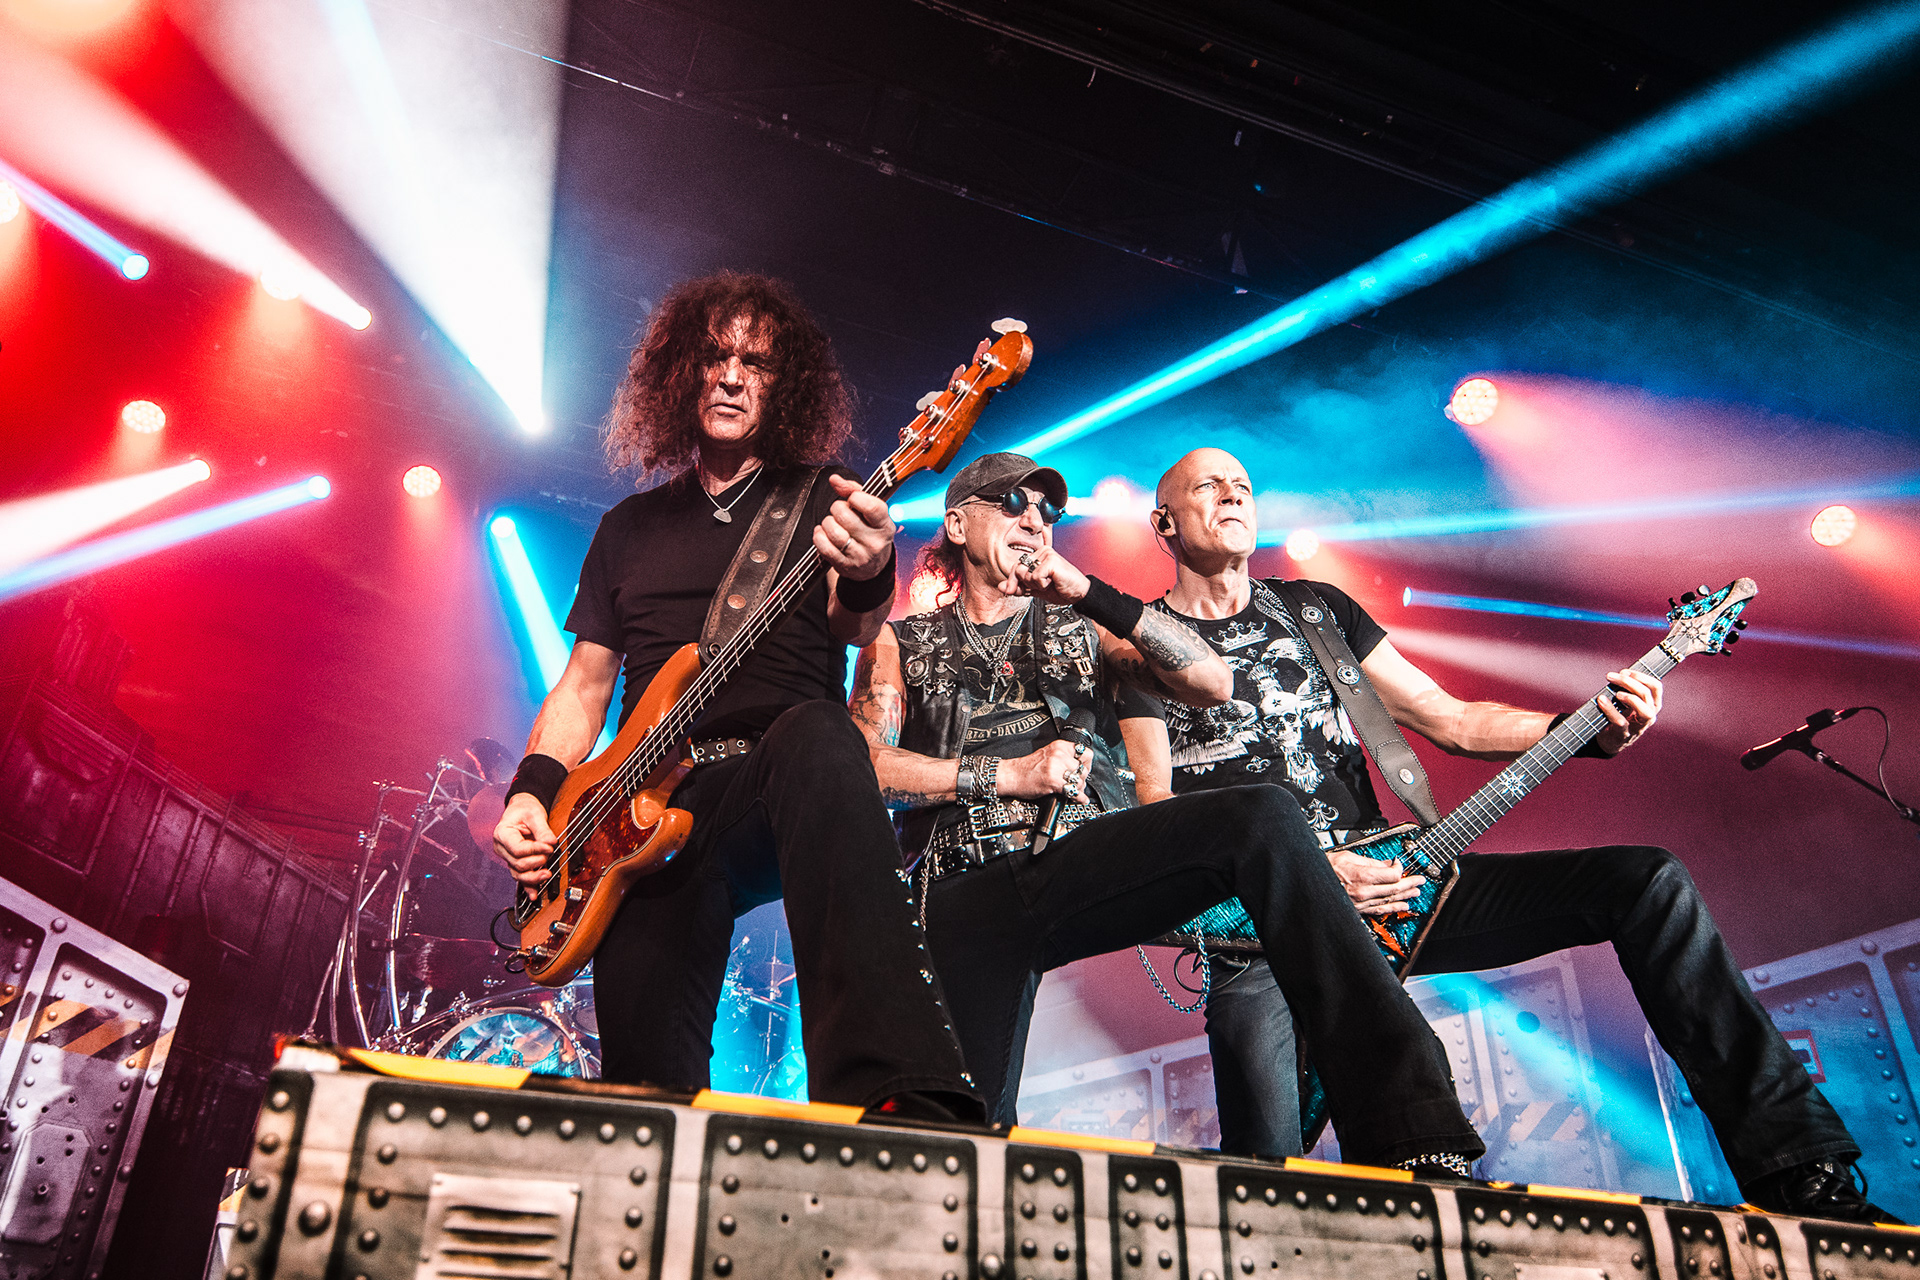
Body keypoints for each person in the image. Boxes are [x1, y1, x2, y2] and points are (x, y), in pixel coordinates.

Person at [1131, 444, 1893, 1220]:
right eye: (1209, 486)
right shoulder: (1134, 645)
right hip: (1262, 926)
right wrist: (1300, 879)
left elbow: (1452, 719)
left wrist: (1587, 728)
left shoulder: (1314, 610)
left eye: (1243, 485)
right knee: (1263, 1181)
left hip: (1396, 884)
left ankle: (1802, 1174)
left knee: (1647, 882)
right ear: (1164, 522)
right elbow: (1151, 820)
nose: (1234, 495)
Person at [849, 451, 1488, 1174]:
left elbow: (1212, 682)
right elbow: (865, 769)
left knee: (1261, 816)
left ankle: (1411, 1127)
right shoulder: (899, 642)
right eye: (1013, 504)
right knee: (964, 1128)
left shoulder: (1088, 631)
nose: (1035, 522)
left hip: (1075, 866)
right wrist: (1006, 774)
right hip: (963, 891)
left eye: (1049, 511)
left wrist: (1087, 590)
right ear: (959, 524)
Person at [490, 271, 980, 1121]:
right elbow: (584, 685)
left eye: (755, 363)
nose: (730, 377)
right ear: (681, 372)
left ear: (783, 386)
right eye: (715, 357)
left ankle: (898, 1094)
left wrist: (870, 568)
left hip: (772, 778)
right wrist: (532, 792)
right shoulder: (627, 528)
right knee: (643, 1094)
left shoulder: (821, 495)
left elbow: (856, 626)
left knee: (820, 734)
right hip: (638, 809)